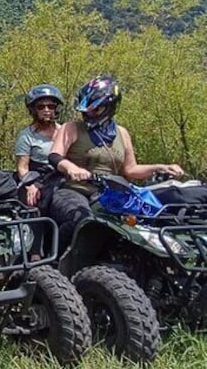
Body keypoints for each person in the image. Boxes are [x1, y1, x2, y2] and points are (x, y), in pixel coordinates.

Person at [47, 74, 184, 251]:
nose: (87, 113)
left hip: (110, 194)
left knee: (149, 220)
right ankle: (57, 260)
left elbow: (131, 170)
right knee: (82, 219)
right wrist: (70, 167)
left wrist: (160, 167)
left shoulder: (122, 133)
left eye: (94, 109)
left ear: (109, 107)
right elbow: (55, 156)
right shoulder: (71, 128)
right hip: (75, 190)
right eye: (85, 110)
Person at [14, 83, 64, 260]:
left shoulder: (64, 131)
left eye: (51, 106)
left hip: (60, 176)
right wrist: (29, 185)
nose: (46, 110)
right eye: (41, 106)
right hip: (35, 176)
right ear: (34, 110)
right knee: (35, 204)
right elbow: (22, 166)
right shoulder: (27, 135)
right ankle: (34, 252)